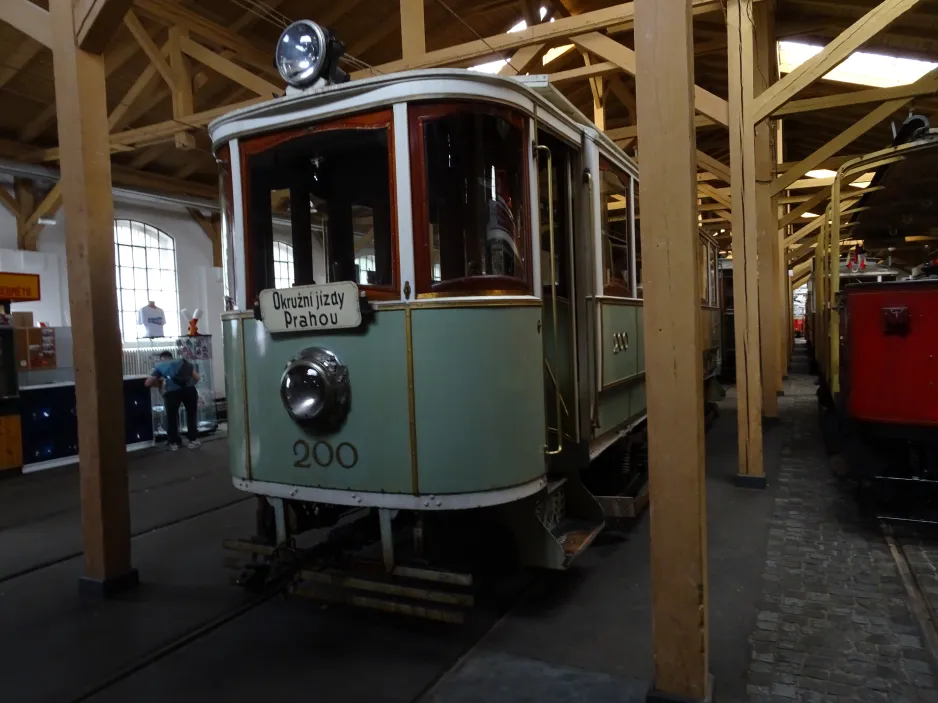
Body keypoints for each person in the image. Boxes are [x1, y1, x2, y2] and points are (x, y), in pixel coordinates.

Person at [146, 351, 201, 451]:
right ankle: (192, 441)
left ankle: (174, 443)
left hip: (171, 393)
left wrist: (159, 384)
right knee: (191, 415)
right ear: (171, 357)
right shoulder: (183, 362)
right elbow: (197, 377)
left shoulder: (159, 366)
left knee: (172, 417)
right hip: (189, 390)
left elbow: (148, 383)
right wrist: (188, 385)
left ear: (162, 358)